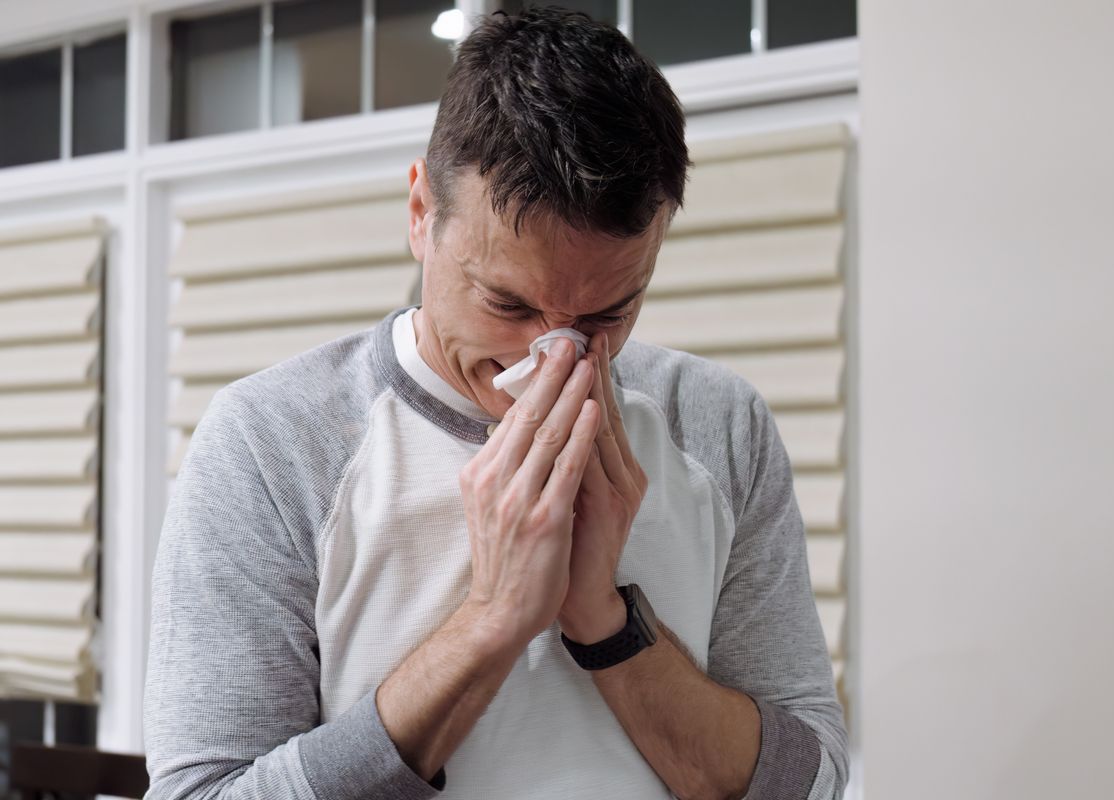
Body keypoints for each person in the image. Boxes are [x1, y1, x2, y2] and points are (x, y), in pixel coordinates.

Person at [143, 6, 847, 799]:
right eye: (507, 305)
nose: (553, 353)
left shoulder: (718, 423)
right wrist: (493, 619)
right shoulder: (270, 442)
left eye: (606, 315)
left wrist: (607, 624)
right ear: (421, 215)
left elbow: (814, 782)